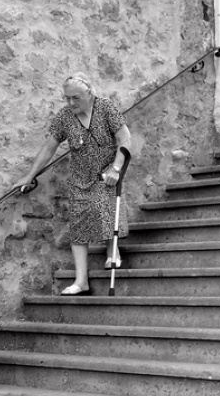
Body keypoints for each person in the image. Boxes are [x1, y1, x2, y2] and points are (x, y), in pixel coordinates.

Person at [14, 73, 132, 295]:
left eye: (75, 98)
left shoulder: (105, 107)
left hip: (106, 172)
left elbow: (125, 139)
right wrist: (30, 175)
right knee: (77, 226)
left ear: (89, 93)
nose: (70, 103)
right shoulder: (64, 117)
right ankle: (81, 281)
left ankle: (112, 253)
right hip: (79, 176)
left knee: (104, 207)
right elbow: (49, 147)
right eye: (66, 98)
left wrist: (115, 168)